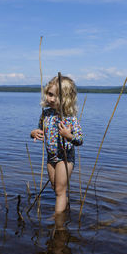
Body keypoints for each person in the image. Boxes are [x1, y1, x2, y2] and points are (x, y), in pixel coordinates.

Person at [30, 75, 83, 213]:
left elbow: (79, 140)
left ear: (66, 98)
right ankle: (64, 210)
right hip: (50, 157)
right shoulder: (46, 114)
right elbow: (40, 130)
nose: (51, 99)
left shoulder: (70, 118)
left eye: (56, 96)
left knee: (60, 190)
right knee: (55, 188)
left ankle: (57, 220)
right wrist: (34, 133)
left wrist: (68, 135)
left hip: (65, 158)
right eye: (49, 94)